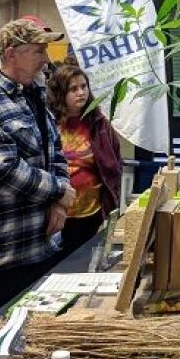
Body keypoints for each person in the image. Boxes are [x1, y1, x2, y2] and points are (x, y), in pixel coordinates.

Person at [0, 19, 75, 321]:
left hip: (39, 245)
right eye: (37, 51)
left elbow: (55, 151)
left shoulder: (32, 96)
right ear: (11, 53)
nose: (46, 59)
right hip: (1, 255)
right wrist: (59, 190)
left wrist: (59, 202)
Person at [47, 65, 123, 257]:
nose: (81, 92)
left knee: (82, 264)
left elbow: (114, 161)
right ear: (60, 93)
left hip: (90, 212)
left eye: (84, 86)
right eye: (73, 89)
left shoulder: (98, 122)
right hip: (54, 212)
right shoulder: (48, 122)